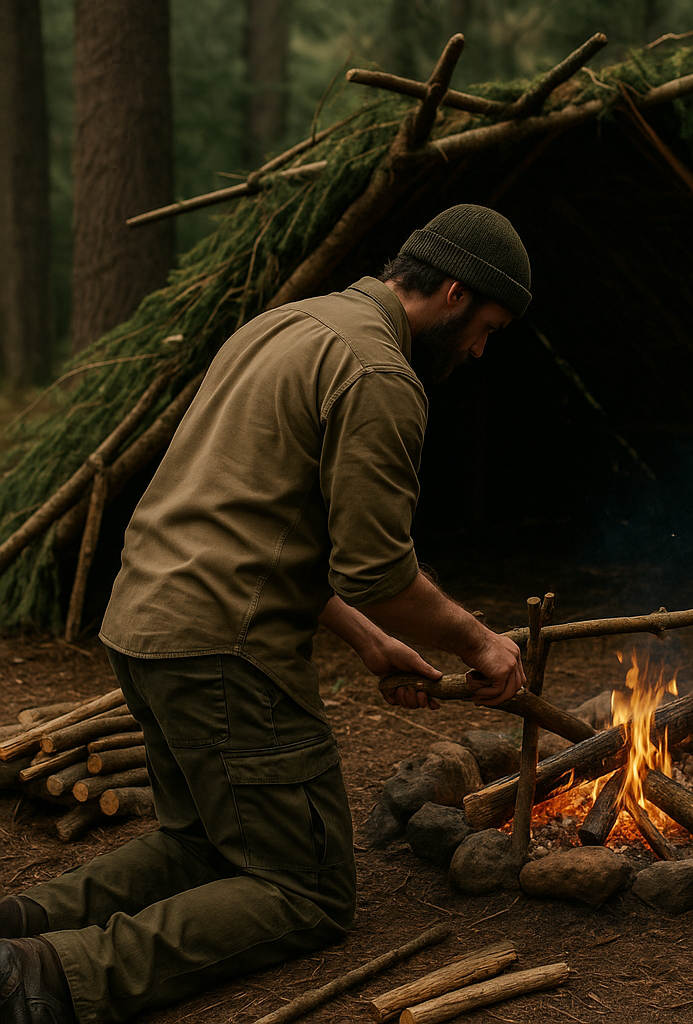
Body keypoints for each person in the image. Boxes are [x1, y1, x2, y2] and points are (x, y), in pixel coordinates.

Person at [0, 205, 532, 1024]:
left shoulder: (290, 324)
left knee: (200, 845)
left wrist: (369, 640)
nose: (480, 350)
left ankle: (17, 927)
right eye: (486, 327)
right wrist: (479, 642)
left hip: (143, 620)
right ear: (455, 293)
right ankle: (39, 979)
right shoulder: (381, 375)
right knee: (306, 889)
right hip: (221, 647)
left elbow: (252, 517)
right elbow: (380, 570)